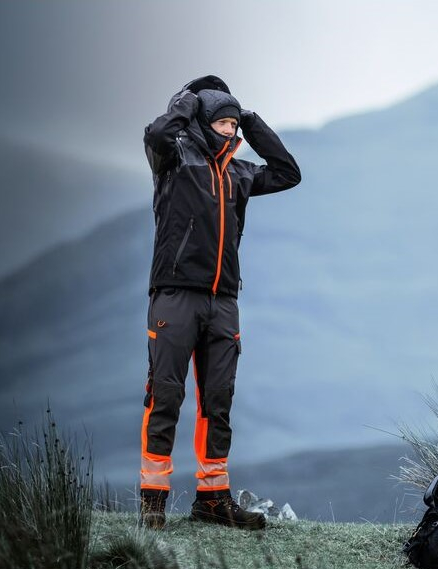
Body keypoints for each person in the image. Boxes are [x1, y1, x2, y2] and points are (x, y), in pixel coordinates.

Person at [139, 75, 302, 530]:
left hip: (224, 301)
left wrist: (250, 120)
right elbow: (156, 133)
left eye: (234, 124)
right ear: (202, 121)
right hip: (175, 295)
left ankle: (212, 500)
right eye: (224, 123)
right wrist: (187, 102)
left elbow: (288, 173)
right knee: (165, 395)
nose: (230, 131)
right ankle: (153, 502)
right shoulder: (173, 160)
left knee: (218, 402)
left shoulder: (239, 173)